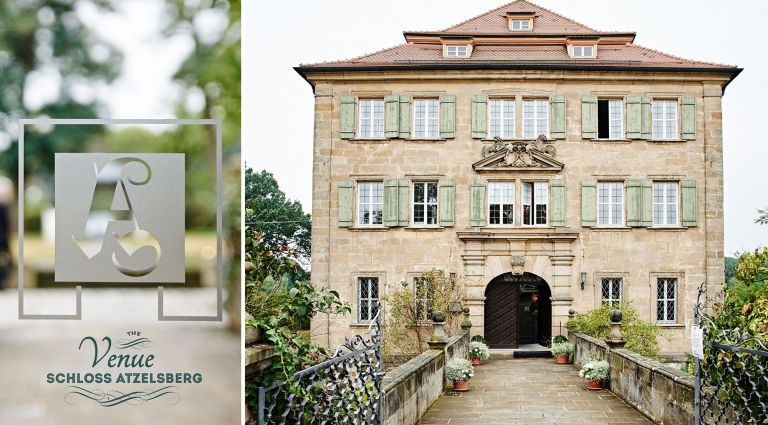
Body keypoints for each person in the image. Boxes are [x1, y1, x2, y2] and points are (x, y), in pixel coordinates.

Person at [0, 176, 13, 289]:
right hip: (3, 239)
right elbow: (6, 224)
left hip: (3, 238)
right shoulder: (4, 207)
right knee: (8, 260)